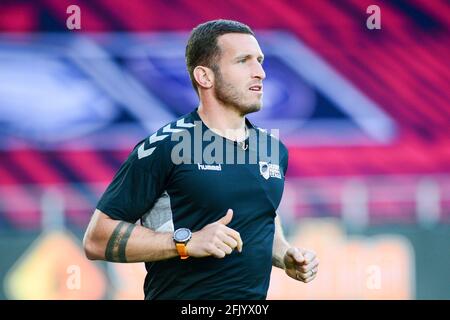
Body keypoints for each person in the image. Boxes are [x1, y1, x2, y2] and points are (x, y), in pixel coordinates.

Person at [83, 19, 319, 300]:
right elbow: (96, 240)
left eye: (260, 60)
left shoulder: (272, 148)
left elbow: (262, 214)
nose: (260, 72)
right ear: (204, 77)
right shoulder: (166, 146)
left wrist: (282, 253)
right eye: (243, 61)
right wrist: (185, 242)